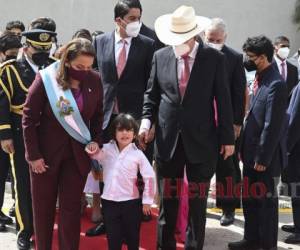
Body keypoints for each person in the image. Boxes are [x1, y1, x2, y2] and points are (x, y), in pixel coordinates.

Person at [139, 6, 235, 250]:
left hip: (202, 140)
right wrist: (146, 123)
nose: (177, 43)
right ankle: (165, 246)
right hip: (167, 139)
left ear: (194, 35)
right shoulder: (160, 56)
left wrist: (228, 139)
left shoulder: (214, 59)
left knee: (197, 203)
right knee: (167, 203)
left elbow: (224, 101)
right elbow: (151, 95)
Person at [22, 38, 103, 250]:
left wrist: (95, 140)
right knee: (44, 210)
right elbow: (28, 118)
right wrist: (33, 156)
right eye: (79, 67)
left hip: (76, 157)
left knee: (70, 212)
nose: (85, 71)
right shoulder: (47, 78)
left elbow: (97, 117)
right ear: (67, 61)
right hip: (45, 156)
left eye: (88, 67)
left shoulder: (94, 80)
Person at [87, 0, 155, 236]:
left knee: (132, 172)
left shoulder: (147, 45)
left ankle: (131, 222)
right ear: (118, 20)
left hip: (134, 120)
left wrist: (149, 121)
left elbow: (152, 87)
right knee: (108, 171)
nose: (137, 22)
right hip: (106, 118)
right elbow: (93, 78)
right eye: (133, 18)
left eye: (139, 17)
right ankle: (109, 220)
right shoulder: (100, 41)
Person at [228, 35, 288, 250]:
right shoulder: (259, 78)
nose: (248, 60)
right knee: (251, 200)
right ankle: (251, 239)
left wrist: (263, 157)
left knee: (266, 204)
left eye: (251, 57)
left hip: (265, 158)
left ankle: (267, 244)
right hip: (251, 152)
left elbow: (272, 125)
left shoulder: (276, 84)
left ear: (263, 57)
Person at [0, 26, 57, 250]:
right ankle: (25, 230)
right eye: (38, 49)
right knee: (23, 184)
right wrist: (4, 134)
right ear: (26, 47)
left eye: (46, 48)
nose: (43, 53)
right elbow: (2, 103)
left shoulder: (55, 66)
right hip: (19, 133)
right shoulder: (10, 70)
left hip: (50, 135)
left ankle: (43, 228)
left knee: (48, 184)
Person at [86, 113, 156, 250]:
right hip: (109, 202)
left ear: (135, 134)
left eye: (129, 130)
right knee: (113, 238)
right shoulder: (106, 149)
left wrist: (147, 200)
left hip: (131, 203)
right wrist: (91, 148)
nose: (125, 133)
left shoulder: (138, 154)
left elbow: (150, 177)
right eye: (120, 129)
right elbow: (95, 155)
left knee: (132, 238)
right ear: (114, 133)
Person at [204, 18, 246, 226]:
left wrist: (237, 124)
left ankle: (228, 209)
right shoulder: (198, 55)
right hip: (203, 122)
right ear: (205, 36)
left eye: (217, 39)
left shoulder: (234, 58)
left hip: (226, 123)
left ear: (225, 38)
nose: (213, 42)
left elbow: (239, 93)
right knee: (200, 166)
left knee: (227, 168)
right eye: (210, 39)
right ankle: (198, 205)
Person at [280, 81, 300, 244]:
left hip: (297, 149)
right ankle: (297, 224)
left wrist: (286, 147)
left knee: (297, 190)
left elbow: (294, 120)